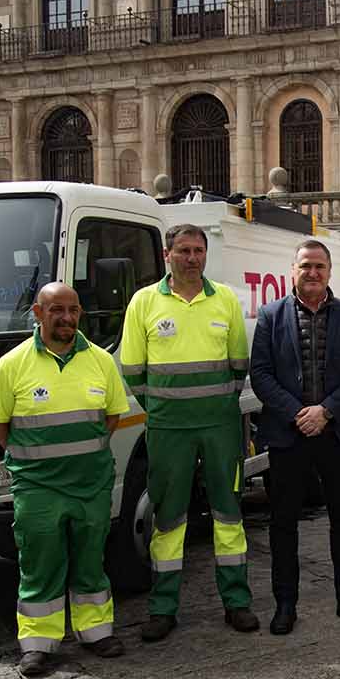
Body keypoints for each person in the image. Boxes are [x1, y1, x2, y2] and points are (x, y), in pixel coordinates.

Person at [0, 283, 130, 678]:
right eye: (56, 310)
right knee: (40, 562)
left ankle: (96, 632)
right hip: (37, 487)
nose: (65, 318)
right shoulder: (12, 365)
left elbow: (113, 416)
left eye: (73, 310)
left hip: (91, 484)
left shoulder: (100, 360)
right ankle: (37, 645)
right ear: (37, 312)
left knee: (90, 561)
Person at [120, 224, 256, 641]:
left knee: (228, 515)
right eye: (183, 250)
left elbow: (238, 367)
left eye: (198, 250)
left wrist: (212, 405)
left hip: (219, 427)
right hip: (168, 430)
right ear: (168, 255)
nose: (192, 257)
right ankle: (163, 609)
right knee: (168, 518)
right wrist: (163, 409)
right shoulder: (144, 302)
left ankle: (237, 602)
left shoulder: (226, 301)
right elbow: (132, 371)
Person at [250, 239, 340, 634]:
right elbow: (261, 374)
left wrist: (327, 411)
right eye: (306, 266)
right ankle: (285, 604)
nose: (313, 273)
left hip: (338, 432)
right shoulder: (270, 316)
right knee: (283, 523)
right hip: (289, 434)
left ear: (329, 270)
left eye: (320, 266)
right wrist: (298, 413)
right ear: (293, 269)